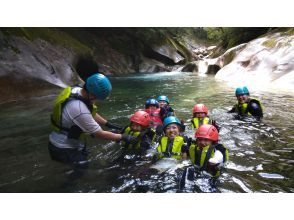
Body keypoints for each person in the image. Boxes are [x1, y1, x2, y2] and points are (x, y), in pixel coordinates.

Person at [49, 73, 138, 167]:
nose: (96, 101)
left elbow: (89, 112)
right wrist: (122, 137)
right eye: (97, 98)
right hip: (64, 148)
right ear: (91, 95)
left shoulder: (76, 91)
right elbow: (99, 133)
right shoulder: (78, 108)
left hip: (61, 141)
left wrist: (107, 123)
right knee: (80, 171)